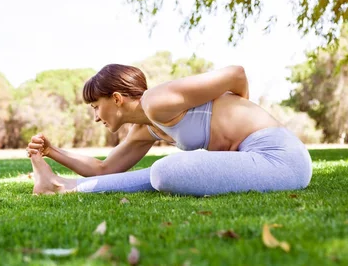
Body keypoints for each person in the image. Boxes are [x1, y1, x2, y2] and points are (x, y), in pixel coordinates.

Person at [27, 64, 312, 196]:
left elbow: (237, 74)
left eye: (94, 106)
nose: (95, 117)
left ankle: (64, 188)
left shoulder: (157, 101)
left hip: (280, 157)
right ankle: (63, 186)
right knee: (166, 172)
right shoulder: (144, 129)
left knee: (166, 172)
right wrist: (53, 152)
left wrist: (239, 114)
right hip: (254, 159)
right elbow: (104, 169)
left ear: (116, 99)